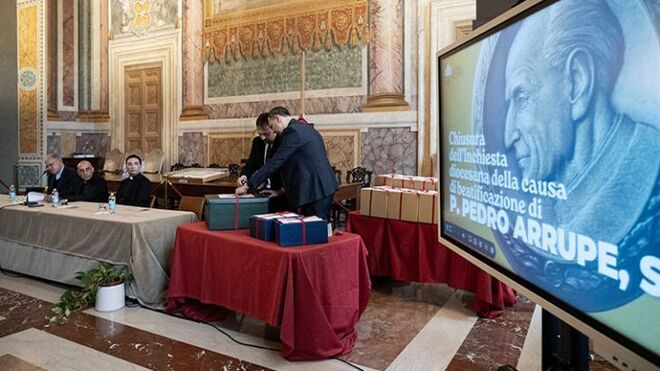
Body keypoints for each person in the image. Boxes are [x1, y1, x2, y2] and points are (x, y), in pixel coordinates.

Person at [502, 0, 659, 309]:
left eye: (522, 96)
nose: (508, 136)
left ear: (577, 81)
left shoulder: (649, 171)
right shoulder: (551, 192)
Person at [235, 106, 338, 221]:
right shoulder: (302, 128)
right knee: (312, 228)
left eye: (273, 126)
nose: (274, 131)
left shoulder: (292, 132)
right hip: (318, 187)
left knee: (314, 230)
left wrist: (248, 185)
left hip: (316, 188)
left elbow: (275, 162)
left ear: (278, 119)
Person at [237, 113, 287, 211]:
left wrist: (280, 190)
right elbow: (250, 164)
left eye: (266, 133)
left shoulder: (283, 142)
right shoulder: (257, 142)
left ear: (273, 129)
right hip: (260, 192)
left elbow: (279, 168)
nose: (262, 138)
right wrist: (244, 176)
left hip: (280, 193)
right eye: (260, 134)